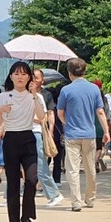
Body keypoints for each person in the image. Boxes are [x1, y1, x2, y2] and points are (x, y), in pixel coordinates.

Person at [0, 60, 45, 222]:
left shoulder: (34, 96)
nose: (20, 77)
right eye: (16, 73)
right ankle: (13, 221)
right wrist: (0, 110)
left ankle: (26, 216)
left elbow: (41, 116)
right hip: (11, 140)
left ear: (30, 76)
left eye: (23, 73)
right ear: (11, 76)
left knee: (31, 179)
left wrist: (35, 93)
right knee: (13, 181)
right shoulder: (3, 96)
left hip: (28, 138)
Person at [56, 56, 109, 211]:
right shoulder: (94, 89)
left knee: (72, 169)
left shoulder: (66, 90)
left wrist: (68, 123)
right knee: (90, 167)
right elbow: (100, 111)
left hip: (72, 135)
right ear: (85, 71)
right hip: (89, 134)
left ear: (69, 73)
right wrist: (106, 131)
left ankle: (76, 202)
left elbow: (60, 113)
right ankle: (90, 198)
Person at [31, 68, 64, 207]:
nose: (34, 79)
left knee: (42, 162)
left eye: (36, 77)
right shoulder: (22, 94)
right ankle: (10, 195)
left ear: (42, 80)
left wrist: (50, 131)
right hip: (24, 132)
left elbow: (49, 114)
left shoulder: (45, 95)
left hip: (39, 131)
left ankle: (53, 192)